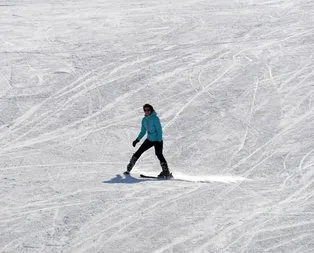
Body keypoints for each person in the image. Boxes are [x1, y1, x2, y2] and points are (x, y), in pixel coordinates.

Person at [124, 104, 172, 179]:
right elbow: (143, 131)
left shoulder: (155, 118)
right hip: (149, 139)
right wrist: (137, 139)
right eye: (145, 110)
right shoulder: (144, 120)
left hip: (157, 140)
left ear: (151, 110)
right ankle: (128, 169)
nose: (146, 111)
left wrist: (159, 140)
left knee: (159, 154)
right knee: (138, 152)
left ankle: (166, 172)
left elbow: (159, 130)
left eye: (148, 110)